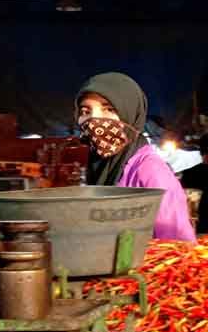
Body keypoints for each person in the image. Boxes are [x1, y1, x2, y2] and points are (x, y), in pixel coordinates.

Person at [76, 72, 195, 241]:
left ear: (131, 113)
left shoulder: (150, 170)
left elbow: (179, 248)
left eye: (108, 109)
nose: (94, 119)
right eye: (85, 111)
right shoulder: (98, 166)